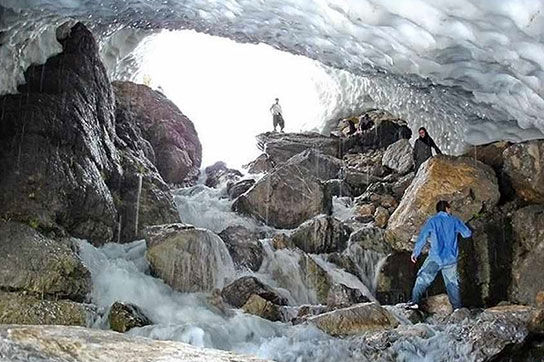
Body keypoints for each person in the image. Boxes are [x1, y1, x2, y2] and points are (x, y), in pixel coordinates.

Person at [406, 200, 472, 311]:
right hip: (451, 259)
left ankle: (415, 302)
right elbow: (467, 234)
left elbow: (422, 237)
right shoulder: (454, 220)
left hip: (435, 258)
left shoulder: (432, 221)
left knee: (422, 279)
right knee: (452, 284)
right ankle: (457, 309)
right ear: (447, 208)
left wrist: (415, 253)